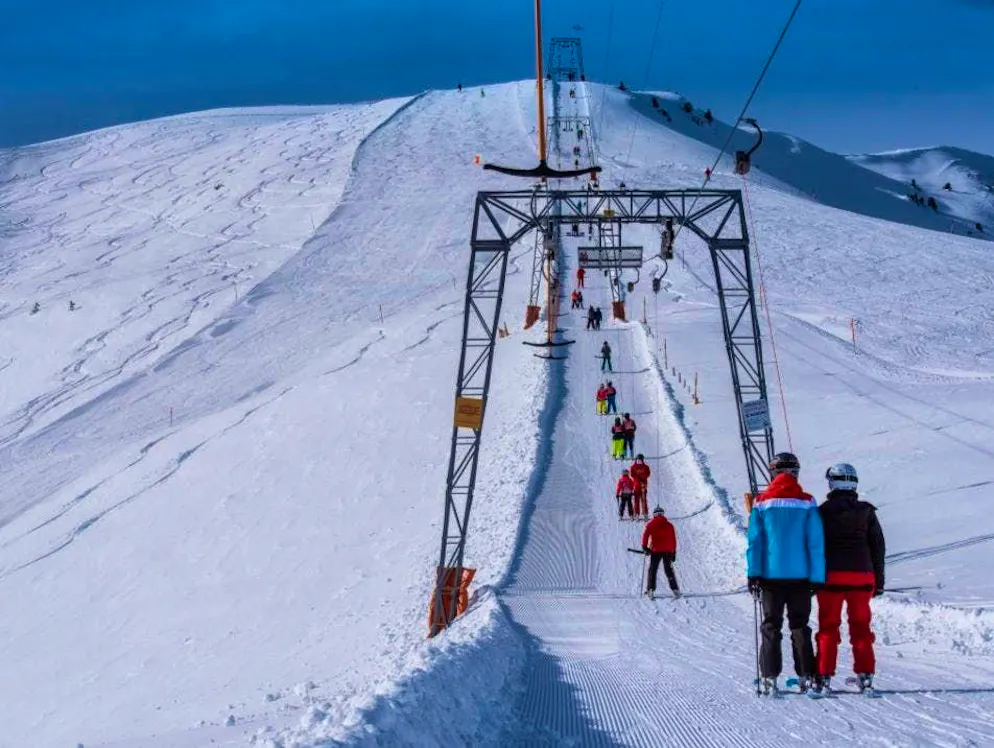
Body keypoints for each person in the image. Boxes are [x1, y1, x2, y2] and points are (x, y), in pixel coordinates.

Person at [746, 452, 825, 695]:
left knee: (771, 625)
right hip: (801, 576)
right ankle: (806, 676)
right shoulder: (807, 501)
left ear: (773, 473)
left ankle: (769, 677)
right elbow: (815, 542)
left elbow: (755, 541)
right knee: (800, 626)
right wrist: (817, 577)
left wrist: (754, 573)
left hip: (770, 577)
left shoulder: (761, 502)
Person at [812, 463, 885, 697]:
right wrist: (879, 582)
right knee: (861, 628)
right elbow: (877, 548)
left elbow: (815, 546)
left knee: (828, 628)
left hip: (831, 577)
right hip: (862, 577)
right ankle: (865, 677)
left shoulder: (822, 512)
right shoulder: (867, 512)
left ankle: (823, 677)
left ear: (832, 483)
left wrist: (813, 579)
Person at [642, 506, 679, 599]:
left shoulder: (650, 524)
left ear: (654, 514)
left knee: (652, 570)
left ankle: (650, 589)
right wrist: (674, 552)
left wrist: (644, 547)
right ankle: (675, 590)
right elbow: (673, 539)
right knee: (669, 570)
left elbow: (645, 536)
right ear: (662, 514)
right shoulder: (670, 525)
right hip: (668, 550)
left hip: (655, 550)